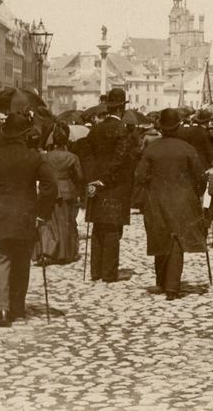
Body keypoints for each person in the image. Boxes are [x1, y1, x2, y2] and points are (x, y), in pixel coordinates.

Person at [0, 114, 57, 327]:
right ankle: (17, 308)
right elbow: (50, 187)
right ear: (24, 135)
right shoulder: (34, 158)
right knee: (21, 262)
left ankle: (1, 310)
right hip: (24, 218)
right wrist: (41, 213)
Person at [136, 109, 208, 299]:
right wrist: (196, 194)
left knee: (160, 236)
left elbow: (140, 176)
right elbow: (200, 177)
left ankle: (161, 280)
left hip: (157, 198)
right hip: (182, 199)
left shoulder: (151, 149)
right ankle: (172, 287)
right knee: (177, 239)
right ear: (178, 127)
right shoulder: (187, 149)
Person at [85, 88, 134, 283]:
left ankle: (95, 271)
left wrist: (92, 178)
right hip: (114, 186)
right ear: (121, 108)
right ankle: (109, 273)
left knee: (98, 227)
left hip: (95, 185)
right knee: (113, 228)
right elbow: (121, 159)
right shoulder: (122, 130)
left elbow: (86, 154)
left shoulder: (95, 129)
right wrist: (105, 178)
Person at [34, 122, 83, 265]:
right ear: (67, 139)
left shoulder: (45, 157)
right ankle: (66, 253)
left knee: (50, 222)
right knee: (67, 222)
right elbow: (79, 176)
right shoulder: (72, 157)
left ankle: (48, 251)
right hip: (67, 190)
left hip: (49, 191)